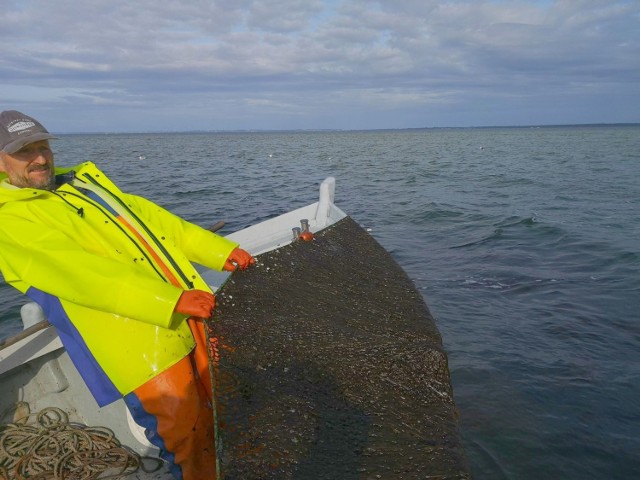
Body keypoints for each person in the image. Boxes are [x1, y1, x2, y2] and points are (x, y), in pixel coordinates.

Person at [0, 110, 255, 479]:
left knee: (225, 410)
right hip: (134, 346)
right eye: (25, 152)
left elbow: (156, 221)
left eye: (43, 147)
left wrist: (219, 252)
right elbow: (81, 274)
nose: (40, 158)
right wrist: (168, 301)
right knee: (183, 435)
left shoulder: (81, 185)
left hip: (184, 318)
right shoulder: (9, 219)